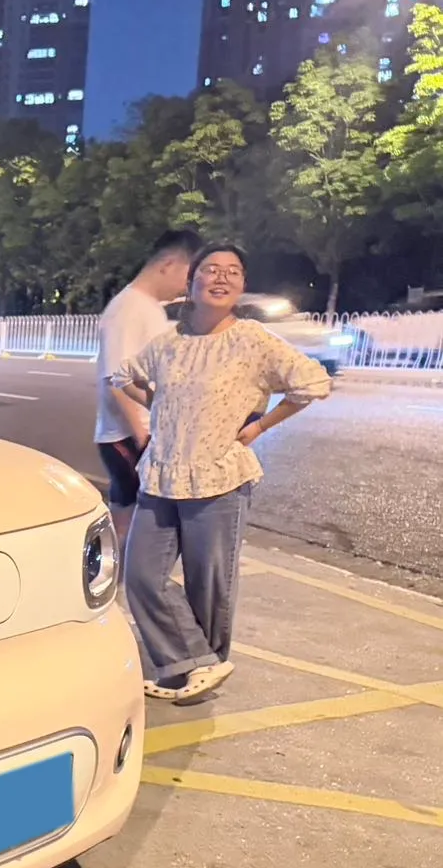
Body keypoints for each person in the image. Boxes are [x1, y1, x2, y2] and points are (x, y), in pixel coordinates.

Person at [113, 244, 331, 704]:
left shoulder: (252, 340)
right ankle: (197, 663)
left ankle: (191, 675)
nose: (221, 278)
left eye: (232, 272)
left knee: (208, 584)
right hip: (161, 473)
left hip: (218, 477)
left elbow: (311, 383)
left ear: (242, 285)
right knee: (141, 575)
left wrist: (259, 427)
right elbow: (124, 377)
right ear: (191, 283)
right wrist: (161, 405)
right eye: (211, 270)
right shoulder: (169, 342)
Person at [96, 229, 203, 547]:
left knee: (132, 522)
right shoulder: (129, 309)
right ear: (168, 264)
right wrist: (144, 439)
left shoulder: (148, 308)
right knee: (134, 528)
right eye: (189, 276)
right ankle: (118, 575)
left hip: (141, 436)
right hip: (128, 437)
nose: (188, 286)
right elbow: (117, 380)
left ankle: (121, 573)